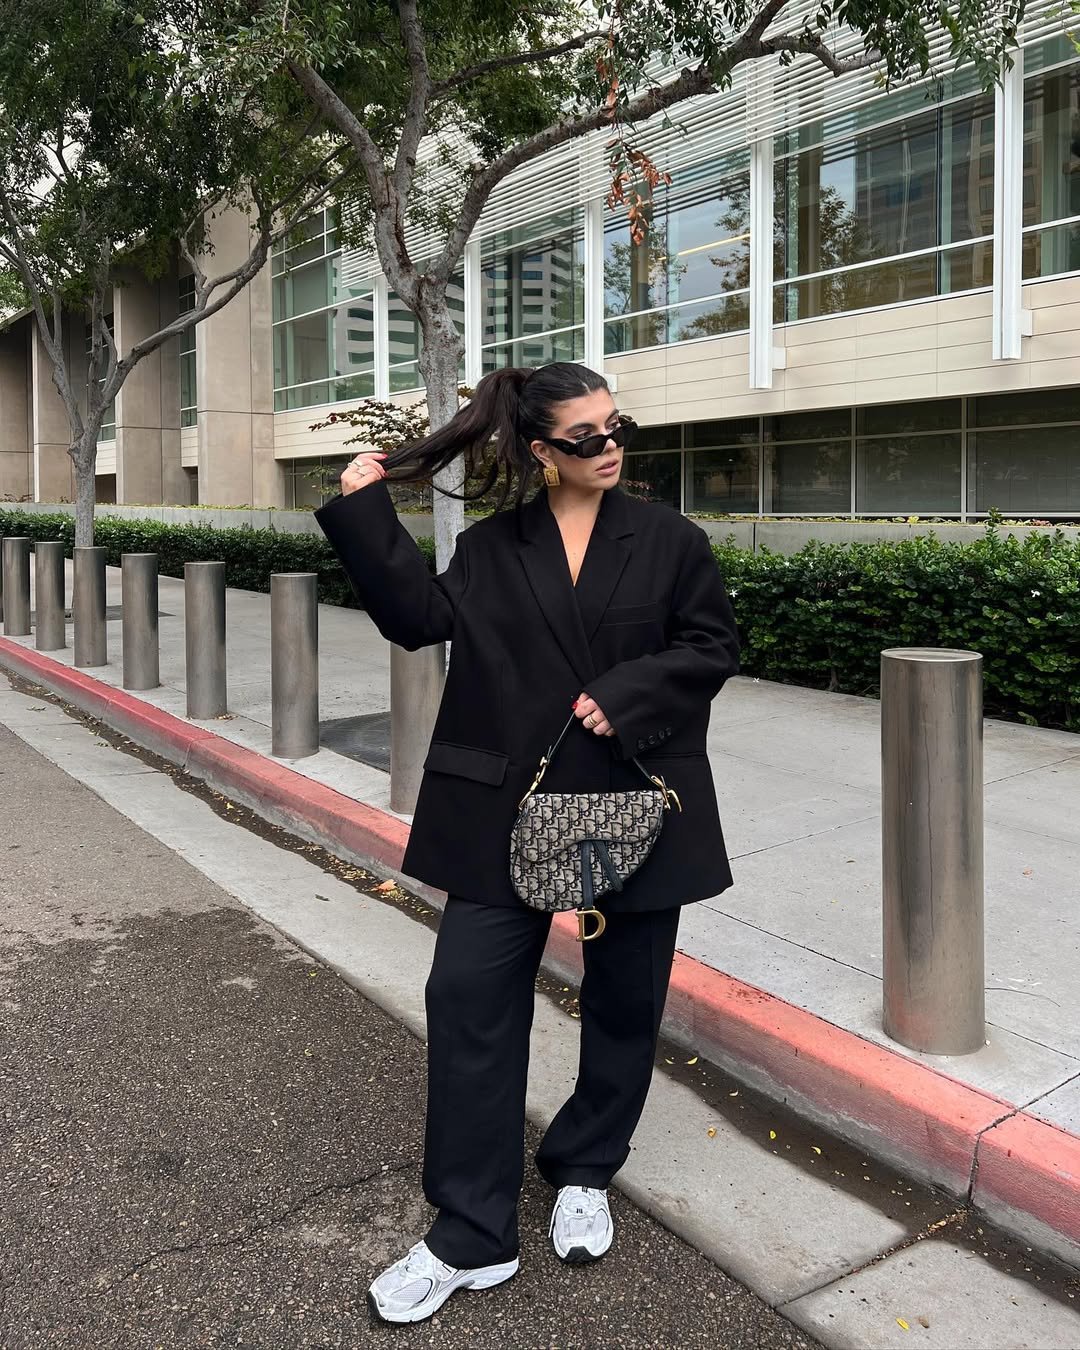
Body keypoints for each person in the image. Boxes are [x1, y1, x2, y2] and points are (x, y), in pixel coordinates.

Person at [315, 361, 740, 1325]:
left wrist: (627, 694)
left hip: (636, 798)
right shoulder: (494, 547)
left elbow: (711, 646)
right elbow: (416, 620)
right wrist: (366, 506)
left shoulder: (670, 540)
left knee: (625, 1001)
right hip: (503, 805)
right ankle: (472, 1233)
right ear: (543, 451)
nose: (609, 446)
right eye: (586, 436)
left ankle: (585, 1166)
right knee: (467, 995)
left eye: (617, 426)